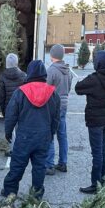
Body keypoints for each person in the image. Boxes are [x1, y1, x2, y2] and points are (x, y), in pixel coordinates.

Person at [2, 60, 60, 200]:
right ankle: (36, 194)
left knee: (17, 165)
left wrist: (8, 132)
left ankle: (10, 191)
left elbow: (11, 115)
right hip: (43, 137)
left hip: (24, 137)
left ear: (30, 73)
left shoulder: (20, 92)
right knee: (39, 167)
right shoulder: (52, 93)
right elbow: (55, 118)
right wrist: (51, 134)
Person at [74, 50, 105, 194]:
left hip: (96, 122)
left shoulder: (94, 79)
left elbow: (78, 88)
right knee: (102, 150)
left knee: (97, 153)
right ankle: (103, 180)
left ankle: (95, 184)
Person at [44, 44, 72, 174]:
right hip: (64, 104)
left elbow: (46, 89)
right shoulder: (68, 71)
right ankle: (63, 163)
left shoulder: (51, 70)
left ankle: (49, 165)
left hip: (53, 106)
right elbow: (69, 88)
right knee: (62, 134)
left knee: (50, 134)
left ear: (52, 55)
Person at [0, 0, 33, 64]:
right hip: (9, 27)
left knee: (24, 48)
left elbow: (28, 7)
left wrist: (16, 5)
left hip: (21, 26)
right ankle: (9, 64)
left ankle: (21, 63)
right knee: (9, 46)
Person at [0, 53, 26, 118]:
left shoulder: (2, 76)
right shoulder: (24, 76)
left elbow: (2, 97)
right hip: (21, 110)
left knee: (9, 128)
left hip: (8, 110)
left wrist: (3, 112)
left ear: (6, 63)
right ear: (17, 62)